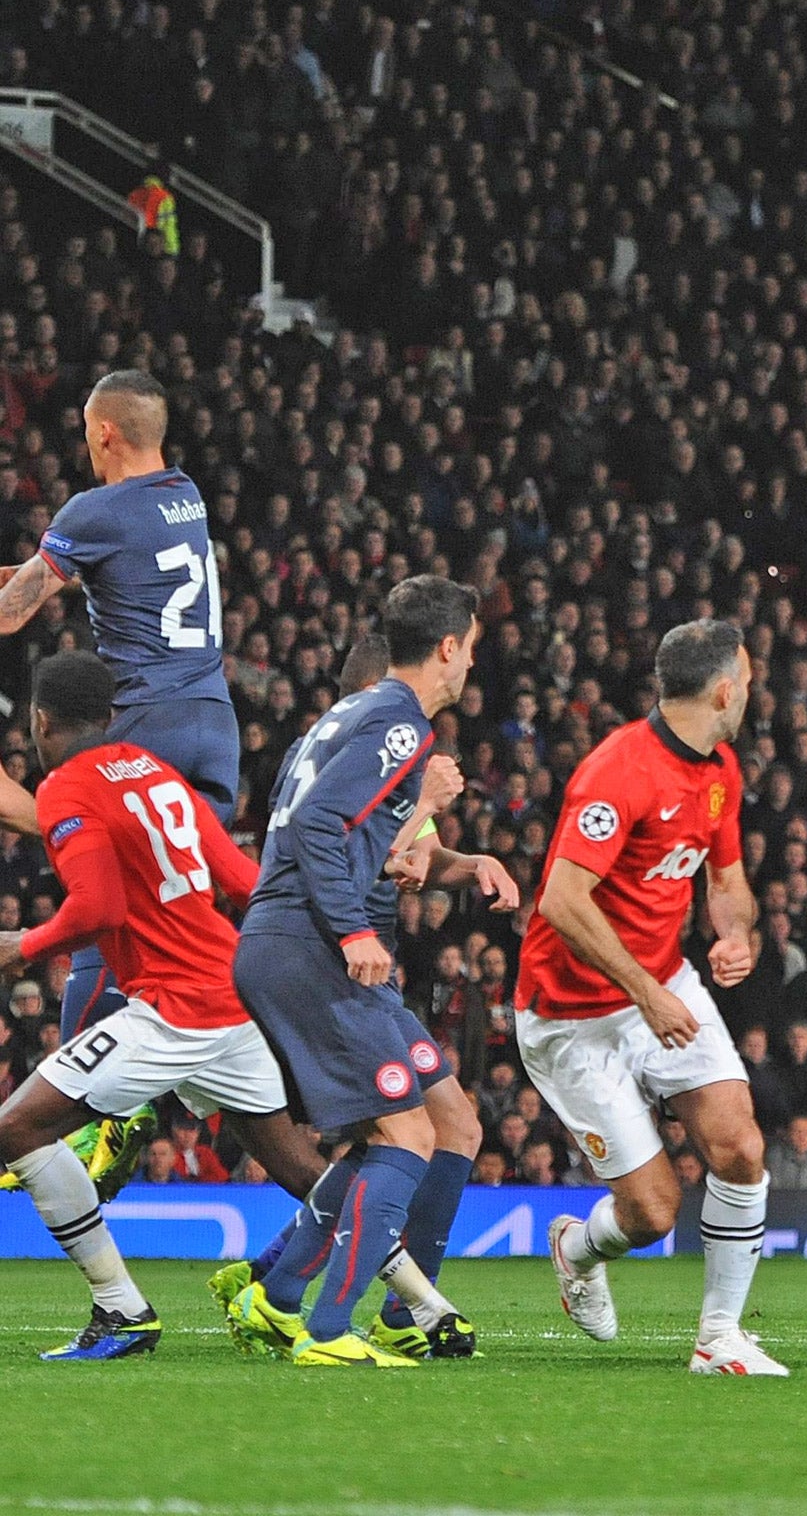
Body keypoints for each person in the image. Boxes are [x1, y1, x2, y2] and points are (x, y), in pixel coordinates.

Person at [0, 653, 325, 1360]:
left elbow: (97, 908)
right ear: (112, 716)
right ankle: (427, 1306)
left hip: (173, 1010)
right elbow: (243, 877)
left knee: (17, 1127)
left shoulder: (64, 789)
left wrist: (22, 944)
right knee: (302, 1171)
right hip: (231, 999)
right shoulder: (154, 771)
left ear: (41, 721)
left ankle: (122, 1311)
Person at [210, 632, 513, 1362]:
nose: (471, 662)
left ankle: (278, 1292)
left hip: (347, 962)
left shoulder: (338, 739)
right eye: (466, 646)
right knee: (407, 1134)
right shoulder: (390, 731)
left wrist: (470, 862)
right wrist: (424, 808)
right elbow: (359, 849)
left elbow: (406, 860)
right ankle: (328, 1323)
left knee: (445, 1127)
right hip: (328, 953)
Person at [518, 619, 785, 1376]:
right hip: (572, 1015)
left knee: (741, 1146)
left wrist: (737, 937)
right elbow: (562, 902)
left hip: (664, 980)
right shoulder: (618, 772)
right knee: (653, 1213)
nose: (751, 695)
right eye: (749, 682)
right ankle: (578, 1247)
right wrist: (643, 992)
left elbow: (726, 883)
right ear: (725, 689)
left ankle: (718, 1337)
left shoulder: (720, 769)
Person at [0, 371, 239, 1047]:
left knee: (97, 893)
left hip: (146, 723)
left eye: (84, 429)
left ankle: (83, 1095)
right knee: (160, 905)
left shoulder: (93, 511)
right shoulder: (183, 494)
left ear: (104, 431)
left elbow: (10, 614)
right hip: (213, 724)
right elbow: (52, 581)